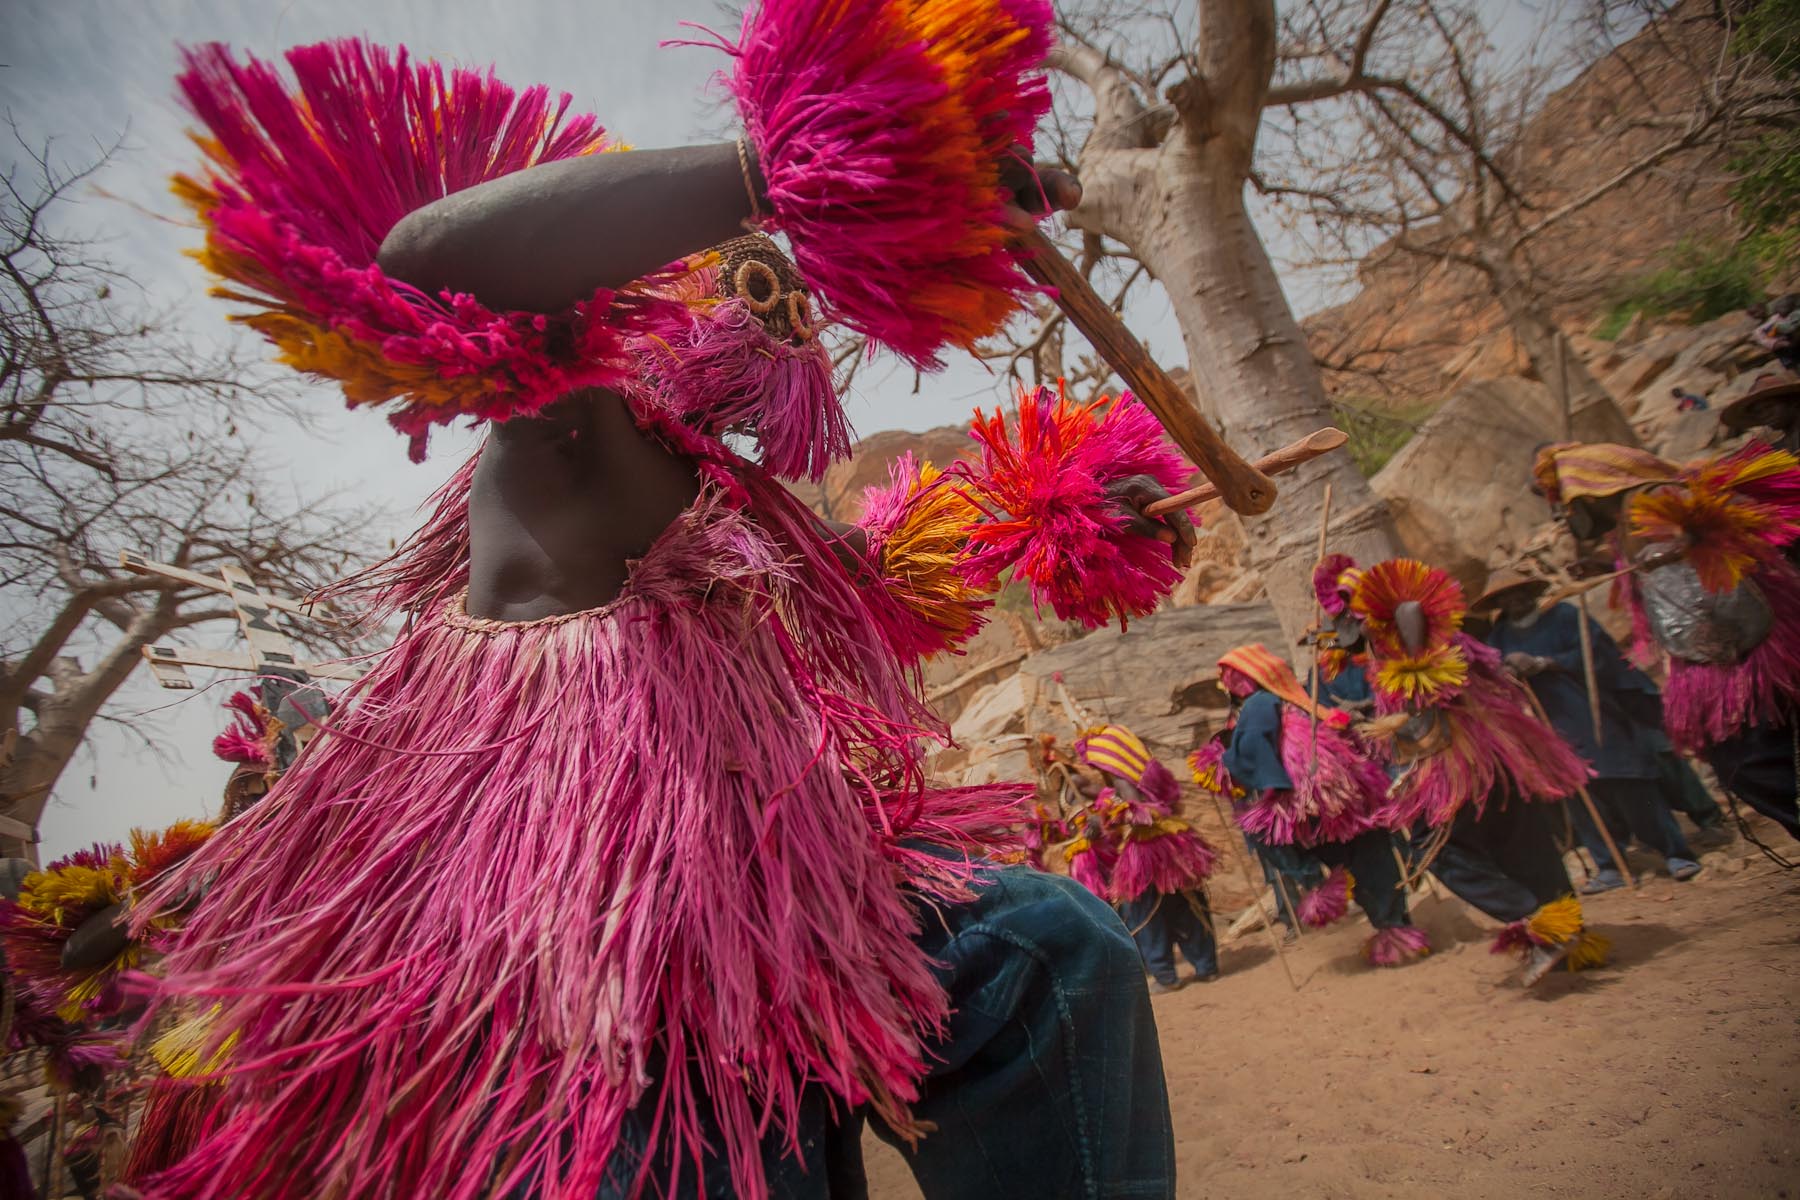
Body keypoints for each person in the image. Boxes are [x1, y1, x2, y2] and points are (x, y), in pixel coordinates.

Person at [133, 17, 1196, 1200]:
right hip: (561, 915)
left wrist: (1076, 498)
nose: (791, 325)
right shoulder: (565, 415)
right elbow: (425, 252)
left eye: (801, 315)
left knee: (1051, 954)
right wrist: (782, 175)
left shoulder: (738, 501)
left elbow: (899, 566)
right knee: (704, 1149)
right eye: (756, 282)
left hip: (775, 879)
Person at [1319, 556, 1608, 986]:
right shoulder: (1387, 651)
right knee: (1519, 841)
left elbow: (1409, 611)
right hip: (1486, 757)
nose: (1342, 629)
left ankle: (1535, 921)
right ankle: (1565, 931)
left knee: (1437, 849)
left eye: (1345, 615)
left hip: (1456, 761)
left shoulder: (1403, 633)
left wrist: (1380, 627)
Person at [1535, 438, 1800, 843]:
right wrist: (1609, 563)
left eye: (1564, 503)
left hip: (1743, 648)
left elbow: (1696, 536)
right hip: (1706, 655)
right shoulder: (1626, 522)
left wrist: (1678, 545)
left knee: (1755, 760)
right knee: (1736, 764)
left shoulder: (1656, 495)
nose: (1564, 515)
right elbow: (1657, 563)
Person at [1472, 569, 1703, 889]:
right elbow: (1492, 672)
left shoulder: (1565, 616)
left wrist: (1545, 663)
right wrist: (1508, 671)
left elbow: (1599, 653)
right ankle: (1609, 864)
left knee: (1629, 784)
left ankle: (1674, 851)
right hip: (1548, 724)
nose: (1515, 600)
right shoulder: (1500, 636)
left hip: (1591, 710)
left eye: (1519, 592)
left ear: (1531, 592)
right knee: (1581, 795)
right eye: (1506, 597)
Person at [1215, 643, 1429, 966]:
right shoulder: (1302, 697)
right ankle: (1395, 929)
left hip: (1306, 806)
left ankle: (1316, 883)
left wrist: (1252, 775)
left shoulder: (1258, 705)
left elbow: (1252, 747)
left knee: (1271, 840)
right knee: (1371, 860)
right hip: (1345, 798)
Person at [1074, 725, 1220, 993]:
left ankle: (1165, 976)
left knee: (1146, 912)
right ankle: (1206, 965)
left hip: (1149, 850)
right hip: (1175, 841)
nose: (1098, 769)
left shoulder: (1122, 781)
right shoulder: (1144, 774)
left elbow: (1138, 813)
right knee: (1185, 904)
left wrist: (1103, 818)